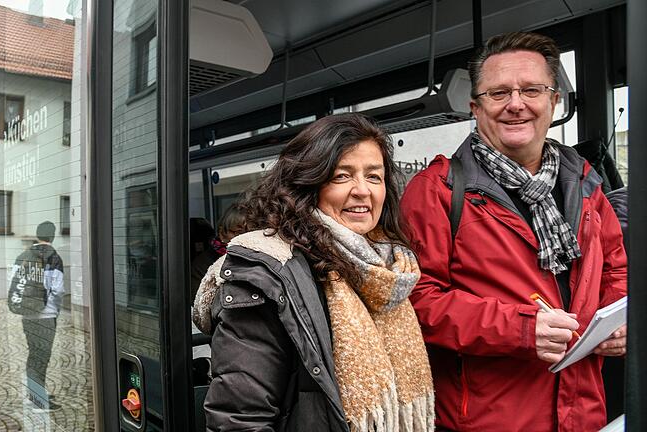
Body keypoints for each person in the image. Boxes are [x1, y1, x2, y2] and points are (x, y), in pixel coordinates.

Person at [400, 32, 627, 431]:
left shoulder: (585, 182)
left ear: (555, 101)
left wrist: (622, 324)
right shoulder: (437, 190)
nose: (516, 104)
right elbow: (415, 302)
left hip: (583, 413)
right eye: (499, 93)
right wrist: (519, 329)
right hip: (488, 419)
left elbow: (615, 273)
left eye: (531, 90)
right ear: (476, 107)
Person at [193, 113, 435, 431]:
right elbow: (240, 420)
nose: (363, 190)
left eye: (374, 177)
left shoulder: (386, 271)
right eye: (341, 176)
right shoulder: (267, 273)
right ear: (308, 184)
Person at [13, 220, 65, 411]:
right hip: (46, 316)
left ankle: (35, 393)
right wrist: (56, 309)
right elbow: (58, 290)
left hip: (27, 315)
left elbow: (14, 282)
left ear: (37, 235)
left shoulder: (23, 256)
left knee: (34, 354)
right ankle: (36, 400)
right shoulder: (54, 258)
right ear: (52, 236)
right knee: (41, 357)